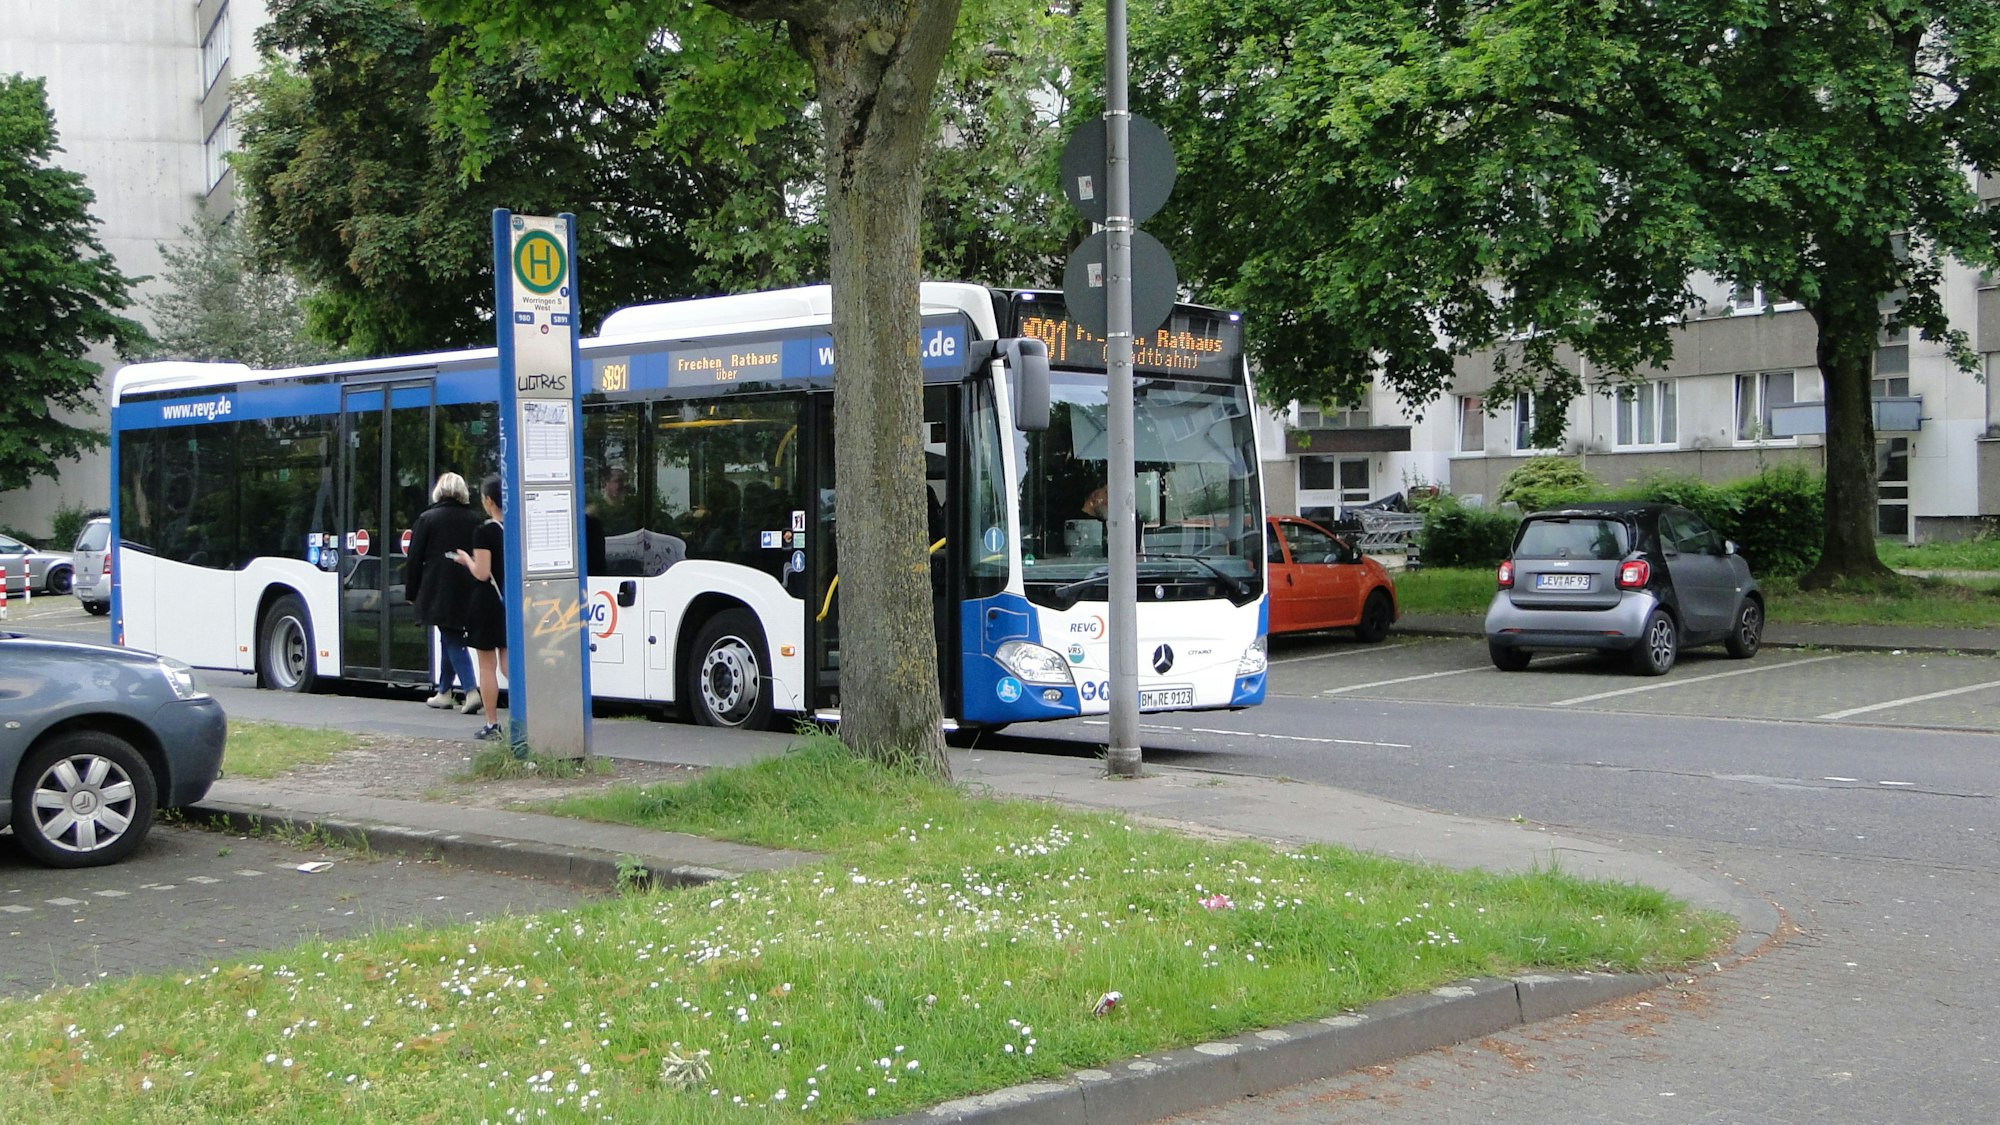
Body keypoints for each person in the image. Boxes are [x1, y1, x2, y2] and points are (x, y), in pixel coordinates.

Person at [404, 472, 481, 711]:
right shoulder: (475, 519)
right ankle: (444, 691)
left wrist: (411, 592)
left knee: (452, 637)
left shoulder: (427, 519)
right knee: (449, 635)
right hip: (470, 586)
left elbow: (414, 559)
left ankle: (470, 690)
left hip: (438, 589)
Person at [453, 474, 509, 741]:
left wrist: (466, 559)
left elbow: (482, 573)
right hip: (512, 601)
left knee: (487, 666)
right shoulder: (518, 529)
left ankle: (492, 723)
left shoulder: (484, 531)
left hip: (487, 603)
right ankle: (530, 712)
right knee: (510, 662)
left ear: (488, 501)